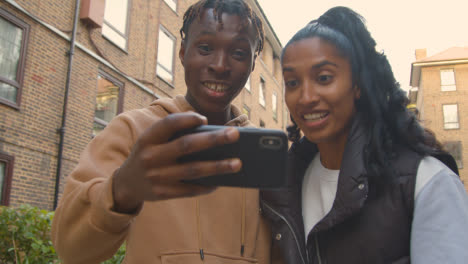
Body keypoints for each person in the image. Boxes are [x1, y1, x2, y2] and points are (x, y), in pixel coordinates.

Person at [51, 1, 273, 263]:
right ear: (182, 52)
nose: (220, 65)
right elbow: (70, 249)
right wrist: (122, 191)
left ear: (252, 64)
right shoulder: (134, 131)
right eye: (205, 48)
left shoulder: (266, 150)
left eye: (238, 53)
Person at [260, 6, 468, 264]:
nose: (306, 98)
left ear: (357, 85)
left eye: (324, 78)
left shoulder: (427, 181)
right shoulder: (286, 183)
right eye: (292, 83)